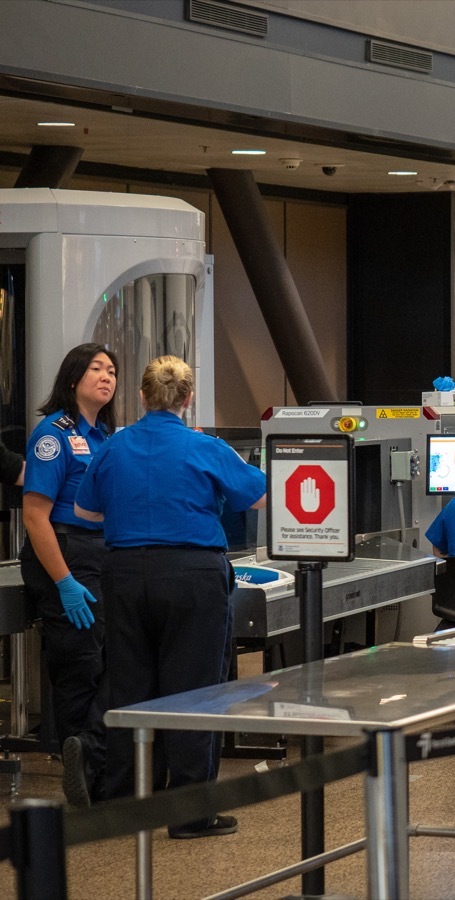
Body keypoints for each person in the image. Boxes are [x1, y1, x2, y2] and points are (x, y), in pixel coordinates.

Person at [75, 355, 266, 838]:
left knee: (128, 686)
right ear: (187, 399)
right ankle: (189, 813)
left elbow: (83, 508)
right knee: (195, 690)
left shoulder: (114, 448)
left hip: (122, 573)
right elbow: (259, 495)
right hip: (191, 574)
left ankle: (124, 803)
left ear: (140, 396)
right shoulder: (205, 446)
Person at [20, 342, 117, 809]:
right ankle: (81, 767)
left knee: (109, 660)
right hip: (61, 551)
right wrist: (63, 582)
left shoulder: (106, 437)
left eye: (113, 371)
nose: (107, 376)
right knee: (79, 662)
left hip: (100, 553)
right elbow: (35, 516)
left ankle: (94, 758)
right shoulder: (52, 435)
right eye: (97, 368)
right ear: (74, 378)